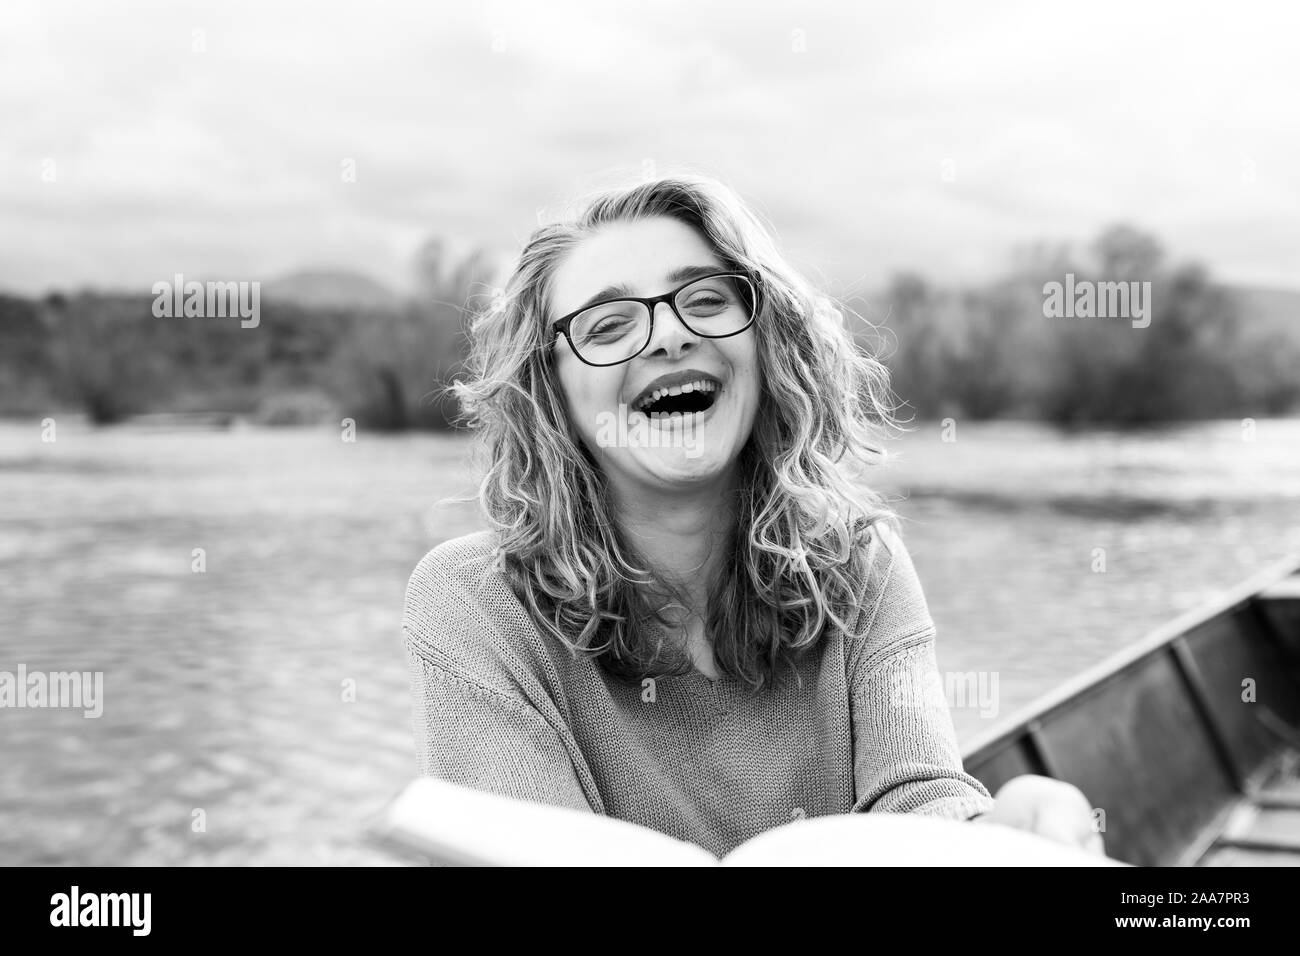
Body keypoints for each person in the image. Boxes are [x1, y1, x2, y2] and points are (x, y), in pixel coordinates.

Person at [401, 169, 1102, 860]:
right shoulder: (474, 603)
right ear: (550, 389)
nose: (668, 337)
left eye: (706, 300)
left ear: (766, 344)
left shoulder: (862, 563)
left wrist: (1004, 830)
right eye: (608, 324)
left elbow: (917, 804)